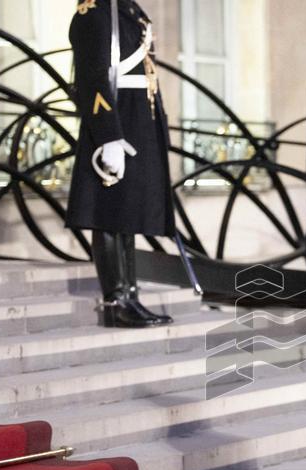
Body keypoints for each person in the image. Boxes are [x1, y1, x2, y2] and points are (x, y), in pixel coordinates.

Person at [67, 0, 174, 328]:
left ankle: (130, 294)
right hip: (115, 119)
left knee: (127, 214)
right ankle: (115, 300)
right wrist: (108, 135)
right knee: (109, 214)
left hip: (138, 118)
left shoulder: (130, 10)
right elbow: (91, 77)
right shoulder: (94, 13)